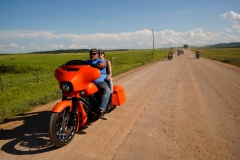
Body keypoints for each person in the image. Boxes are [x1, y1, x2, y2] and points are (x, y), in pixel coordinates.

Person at [85, 48, 110, 120]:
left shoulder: (100, 61)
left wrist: (94, 66)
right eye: (91, 54)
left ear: (97, 55)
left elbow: (103, 64)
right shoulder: (87, 61)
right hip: (88, 81)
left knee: (107, 90)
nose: (92, 55)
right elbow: (79, 64)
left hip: (99, 81)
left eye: (94, 54)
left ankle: (101, 109)